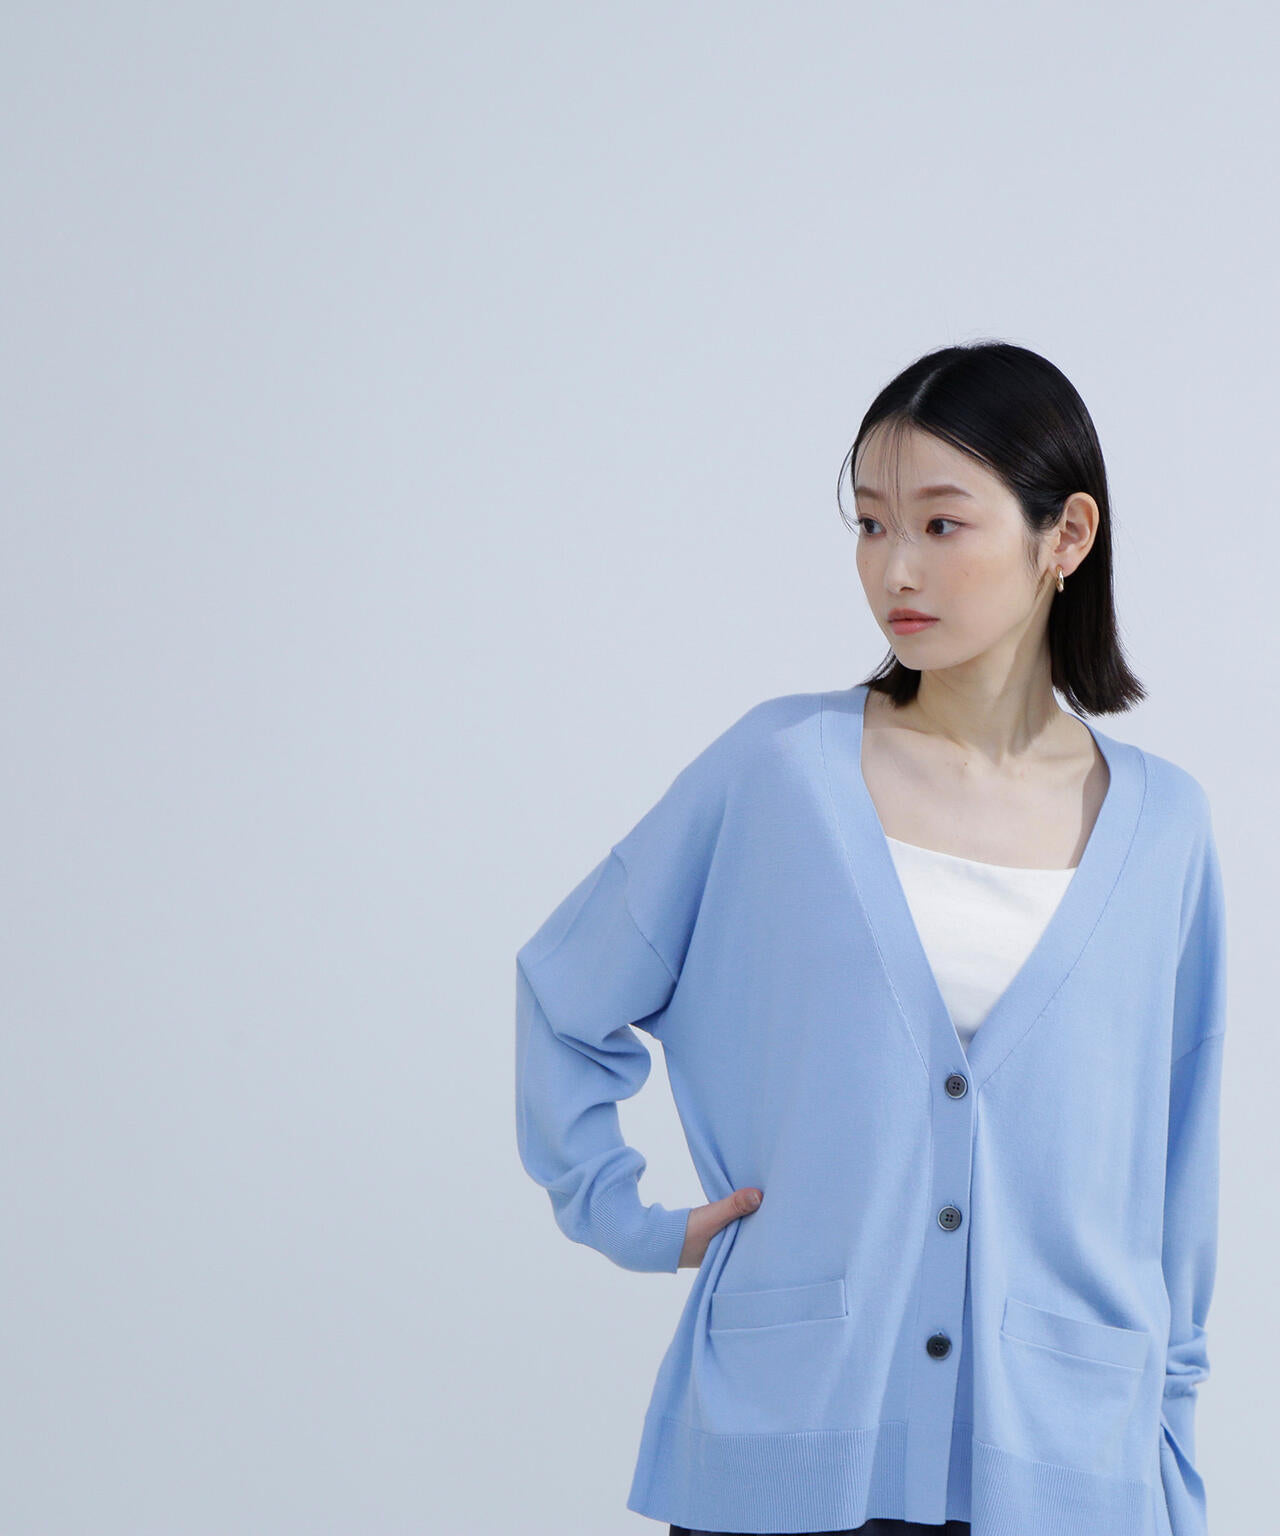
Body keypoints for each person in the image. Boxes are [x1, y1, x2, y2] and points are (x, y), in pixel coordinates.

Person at [515, 341, 1225, 1536]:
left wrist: (1168, 1460)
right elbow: (564, 992)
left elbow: (1176, 1168)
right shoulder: (776, 774)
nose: (893, 567)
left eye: (940, 524)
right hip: (789, 1440)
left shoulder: (1163, 829)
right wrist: (624, 1215)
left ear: (1064, 535)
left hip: (1067, 1458)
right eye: (869, 523)